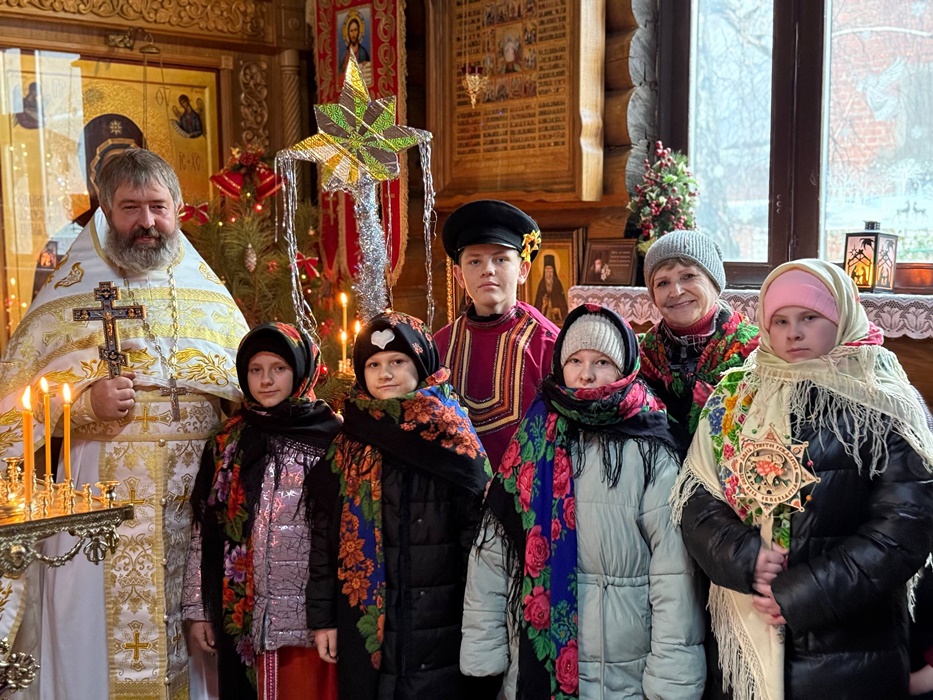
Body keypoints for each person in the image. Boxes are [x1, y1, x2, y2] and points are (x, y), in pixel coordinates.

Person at [0, 147, 249, 699]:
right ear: (106, 213)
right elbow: (12, 408)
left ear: (177, 209)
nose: (146, 221)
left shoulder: (208, 296)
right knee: (90, 629)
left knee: (194, 633)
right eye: (130, 207)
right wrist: (83, 405)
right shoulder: (69, 295)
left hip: (192, 499)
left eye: (158, 206)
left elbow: (250, 389)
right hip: (98, 500)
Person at [672, 259, 933, 700]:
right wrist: (744, 556)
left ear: (842, 317)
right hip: (745, 630)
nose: (793, 333)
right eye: (780, 321)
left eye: (809, 317)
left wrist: (802, 595)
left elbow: (903, 528)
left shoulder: (883, 402)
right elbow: (695, 497)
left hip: (848, 647)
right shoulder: (735, 397)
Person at [460, 304, 706, 697]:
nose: (586, 373)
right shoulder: (534, 435)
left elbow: (674, 571)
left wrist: (671, 676)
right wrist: (483, 647)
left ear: (624, 367)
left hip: (623, 668)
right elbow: (494, 551)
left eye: (602, 362)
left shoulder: (651, 444)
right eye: (575, 360)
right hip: (537, 664)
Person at [306, 312, 490, 699]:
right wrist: (323, 618)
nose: (385, 374)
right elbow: (325, 539)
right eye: (373, 364)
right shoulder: (349, 441)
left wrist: (483, 626)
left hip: (441, 626)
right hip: (367, 626)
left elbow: (478, 543)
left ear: (421, 362)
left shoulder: (452, 434)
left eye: (397, 361)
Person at [185, 322, 341, 699]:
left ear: (301, 372)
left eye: (279, 368)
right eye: (256, 370)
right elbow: (204, 531)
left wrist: (334, 614)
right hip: (241, 616)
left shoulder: (332, 438)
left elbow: (343, 533)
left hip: (310, 624)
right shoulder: (227, 441)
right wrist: (199, 607)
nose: (266, 380)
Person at [434, 200, 558, 468]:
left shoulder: (549, 344)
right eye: (474, 261)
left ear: (523, 270)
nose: (487, 269)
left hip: (531, 487)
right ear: (459, 275)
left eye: (500, 259)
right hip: (456, 487)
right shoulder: (439, 346)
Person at [639, 230, 759, 452]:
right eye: (662, 283)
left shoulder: (753, 351)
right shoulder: (644, 354)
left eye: (688, 276)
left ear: (713, 282)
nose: (675, 291)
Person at [532, 253, 569, 324]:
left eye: (550, 271)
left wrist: (558, 310)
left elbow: (562, 303)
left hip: (557, 321)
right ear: (544, 271)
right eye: (547, 271)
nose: (548, 274)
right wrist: (543, 306)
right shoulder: (541, 284)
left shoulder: (557, 283)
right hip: (543, 320)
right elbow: (537, 305)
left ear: (553, 271)